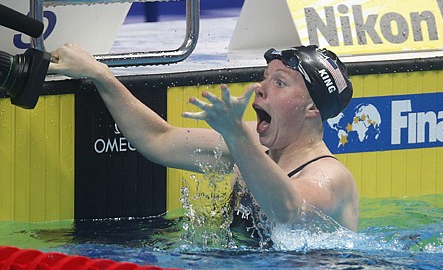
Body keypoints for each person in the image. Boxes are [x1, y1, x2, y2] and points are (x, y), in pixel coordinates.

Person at [49, 43, 360, 232]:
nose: (261, 87)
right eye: (265, 77)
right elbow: (158, 139)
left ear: (312, 109)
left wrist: (236, 135)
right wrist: (99, 74)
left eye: (280, 83)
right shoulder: (250, 141)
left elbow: (288, 210)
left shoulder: (330, 177)